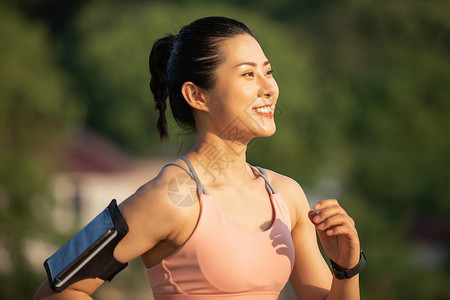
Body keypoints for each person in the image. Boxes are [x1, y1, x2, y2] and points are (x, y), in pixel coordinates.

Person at [34, 16, 364, 300]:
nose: (269, 88)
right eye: (248, 74)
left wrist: (346, 268)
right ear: (196, 95)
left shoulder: (286, 195)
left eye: (268, 71)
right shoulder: (170, 197)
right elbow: (59, 289)